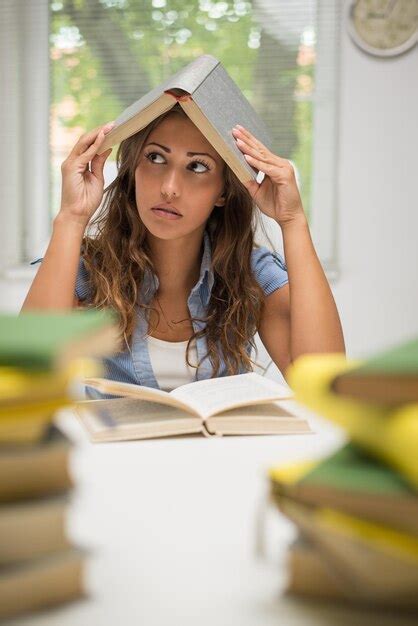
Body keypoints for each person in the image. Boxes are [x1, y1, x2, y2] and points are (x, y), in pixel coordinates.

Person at [22, 104, 345, 397]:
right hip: (114, 460)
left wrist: (293, 221)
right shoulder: (88, 272)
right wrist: (71, 218)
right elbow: (27, 378)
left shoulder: (251, 273)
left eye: (198, 167)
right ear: (133, 170)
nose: (169, 188)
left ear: (222, 191)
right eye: (156, 158)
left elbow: (325, 386)